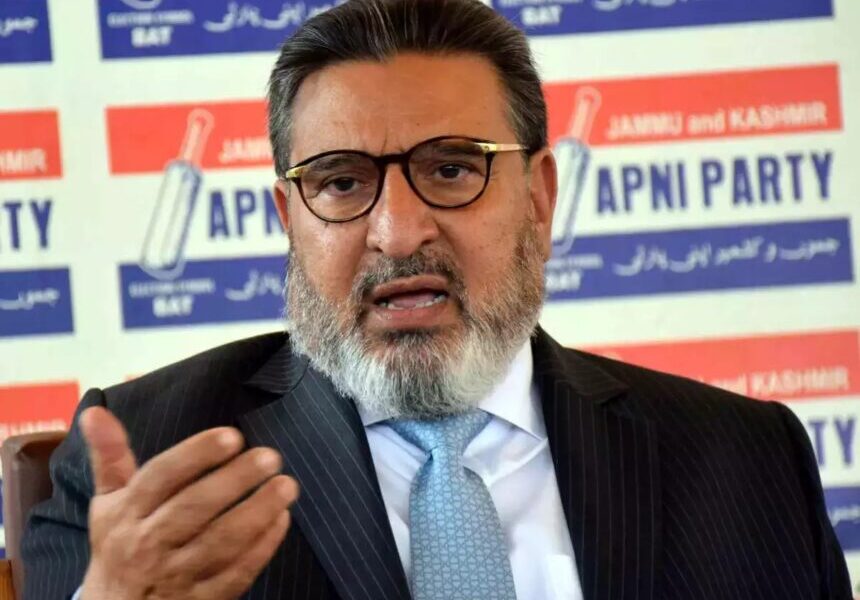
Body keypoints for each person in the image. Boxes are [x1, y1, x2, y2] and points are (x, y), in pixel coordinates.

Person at [21, 0, 851, 599]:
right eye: (341, 182)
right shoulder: (150, 462)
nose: (397, 232)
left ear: (539, 198)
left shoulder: (745, 461)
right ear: (288, 219)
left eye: (451, 169)